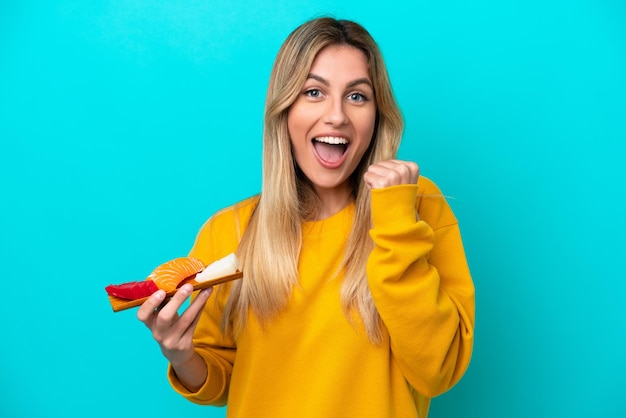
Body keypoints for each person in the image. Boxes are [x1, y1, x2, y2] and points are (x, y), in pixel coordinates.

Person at [137, 17, 475, 418]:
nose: (337, 116)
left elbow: (439, 370)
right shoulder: (229, 230)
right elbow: (225, 378)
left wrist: (397, 224)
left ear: (377, 114)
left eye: (357, 96)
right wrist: (180, 355)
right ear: (284, 109)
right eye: (313, 92)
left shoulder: (417, 207)